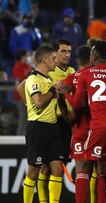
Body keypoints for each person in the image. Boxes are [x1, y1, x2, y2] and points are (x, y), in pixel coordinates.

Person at [63, 41, 106, 203]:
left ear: (94, 55)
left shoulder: (87, 74)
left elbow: (77, 105)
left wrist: (66, 93)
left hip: (98, 127)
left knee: (84, 166)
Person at [22, 46, 64, 203]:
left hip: (52, 127)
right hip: (37, 127)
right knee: (34, 170)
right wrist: (53, 91)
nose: (56, 61)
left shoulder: (47, 79)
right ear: (45, 59)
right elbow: (39, 102)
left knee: (57, 169)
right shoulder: (33, 78)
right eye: (53, 58)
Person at [36, 38, 75, 203]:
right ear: (54, 54)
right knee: (48, 166)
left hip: (67, 124)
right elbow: (23, 87)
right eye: (63, 51)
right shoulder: (48, 73)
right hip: (52, 123)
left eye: (69, 51)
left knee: (56, 166)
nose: (67, 55)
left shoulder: (73, 71)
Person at [59, 45, 92, 203]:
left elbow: (61, 98)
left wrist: (68, 116)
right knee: (101, 171)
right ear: (92, 58)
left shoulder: (71, 78)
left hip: (79, 128)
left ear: (77, 60)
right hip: (97, 128)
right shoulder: (96, 75)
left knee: (81, 171)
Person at [11, 49, 32, 135]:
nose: (28, 57)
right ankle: (19, 137)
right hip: (19, 97)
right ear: (22, 57)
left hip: (28, 96)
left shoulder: (27, 66)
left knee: (27, 117)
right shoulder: (17, 67)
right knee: (23, 117)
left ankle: (25, 136)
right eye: (26, 56)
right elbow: (19, 84)